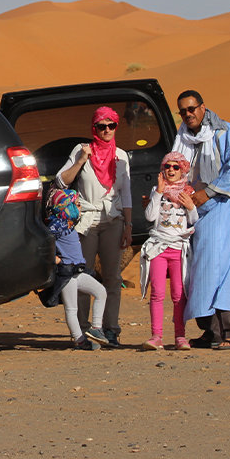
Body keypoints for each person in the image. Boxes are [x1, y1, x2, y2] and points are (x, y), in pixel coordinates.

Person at [172, 90, 230, 349]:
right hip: (194, 206)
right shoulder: (182, 136)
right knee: (196, 268)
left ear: (203, 108)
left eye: (191, 109)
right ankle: (210, 332)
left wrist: (209, 192)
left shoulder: (224, 131)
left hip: (222, 204)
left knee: (219, 264)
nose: (188, 114)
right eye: (183, 111)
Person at [55, 106, 133, 348]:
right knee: (81, 276)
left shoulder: (121, 156)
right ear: (94, 128)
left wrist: (129, 226)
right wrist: (81, 161)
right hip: (86, 222)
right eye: (102, 126)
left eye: (112, 126)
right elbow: (60, 180)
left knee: (112, 277)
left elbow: (126, 193)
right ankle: (83, 331)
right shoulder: (81, 150)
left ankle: (110, 330)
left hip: (114, 221)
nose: (107, 130)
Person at [139, 152, 198, 350]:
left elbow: (194, 221)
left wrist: (191, 207)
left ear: (182, 170)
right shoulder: (157, 190)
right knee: (157, 292)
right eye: (167, 166)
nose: (171, 170)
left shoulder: (188, 192)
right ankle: (156, 336)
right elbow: (149, 217)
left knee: (179, 294)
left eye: (175, 167)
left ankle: (180, 336)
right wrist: (157, 193)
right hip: (158, 247)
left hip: (178, 248)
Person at [43, 188, 110, 350]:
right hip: (66, 274)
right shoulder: (56, 224)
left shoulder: (68, 223)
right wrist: (56, 260)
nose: (79, 208)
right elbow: (43, 244)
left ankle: (95, 329)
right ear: (65, 206)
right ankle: (79, 340)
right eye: (76, 204)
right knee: (72, 308)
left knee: (101, 292)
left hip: (77, 272)